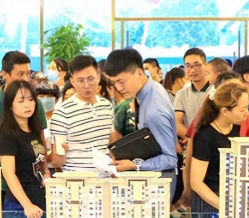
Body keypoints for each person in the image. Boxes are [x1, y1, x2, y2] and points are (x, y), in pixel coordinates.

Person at [105, 48, 178, 194]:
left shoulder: (154, 111)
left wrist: (135, 165)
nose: (118, 88)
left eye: (121, 81)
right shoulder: (151, 88)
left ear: (139, 73)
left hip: (158, 183)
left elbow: (170, 158)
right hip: (154, 178)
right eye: (114, 82)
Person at [190, 81, 249, 218]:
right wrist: (223, 205)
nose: (246, 114)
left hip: (229, 198)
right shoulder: (205, 136)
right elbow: (196, 182)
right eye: (242, 110)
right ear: (225, 111)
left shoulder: (235, 127)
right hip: (209, 203)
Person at [0, 51, 46, 168]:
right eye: (20, 74)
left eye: (28, 73)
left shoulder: (35, 103)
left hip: (29, 172)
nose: (25, 78)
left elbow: (40, 139)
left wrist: (44, 170)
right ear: (4, 74)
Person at [49, 55, 114, 172]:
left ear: (98, 76)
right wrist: (60, 151)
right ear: (72, 81)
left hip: (105, 178)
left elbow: (111, 145)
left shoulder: (107, 106)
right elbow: (57, 162)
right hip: (76, 179)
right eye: (80, 80)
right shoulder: (62, 112)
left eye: (90, 79)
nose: (86, 85)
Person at [0, 80, 48, 218]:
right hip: (20, 205)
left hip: (40, 199)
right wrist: (27, 205)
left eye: (31, 99)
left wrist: (46, 174)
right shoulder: (7, 133)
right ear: (10, 105)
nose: (27, 105)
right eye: (21, 101)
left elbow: (40, 159)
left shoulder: (34, 128)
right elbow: (8, 173)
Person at [175, 48, 211, 139]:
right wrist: (192, 140)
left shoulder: (216, 91)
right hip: (191, 142)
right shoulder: (182, 94)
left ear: (206, 65)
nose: (192, 70)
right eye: (188, 66)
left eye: (196, 65)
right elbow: (177, 123)